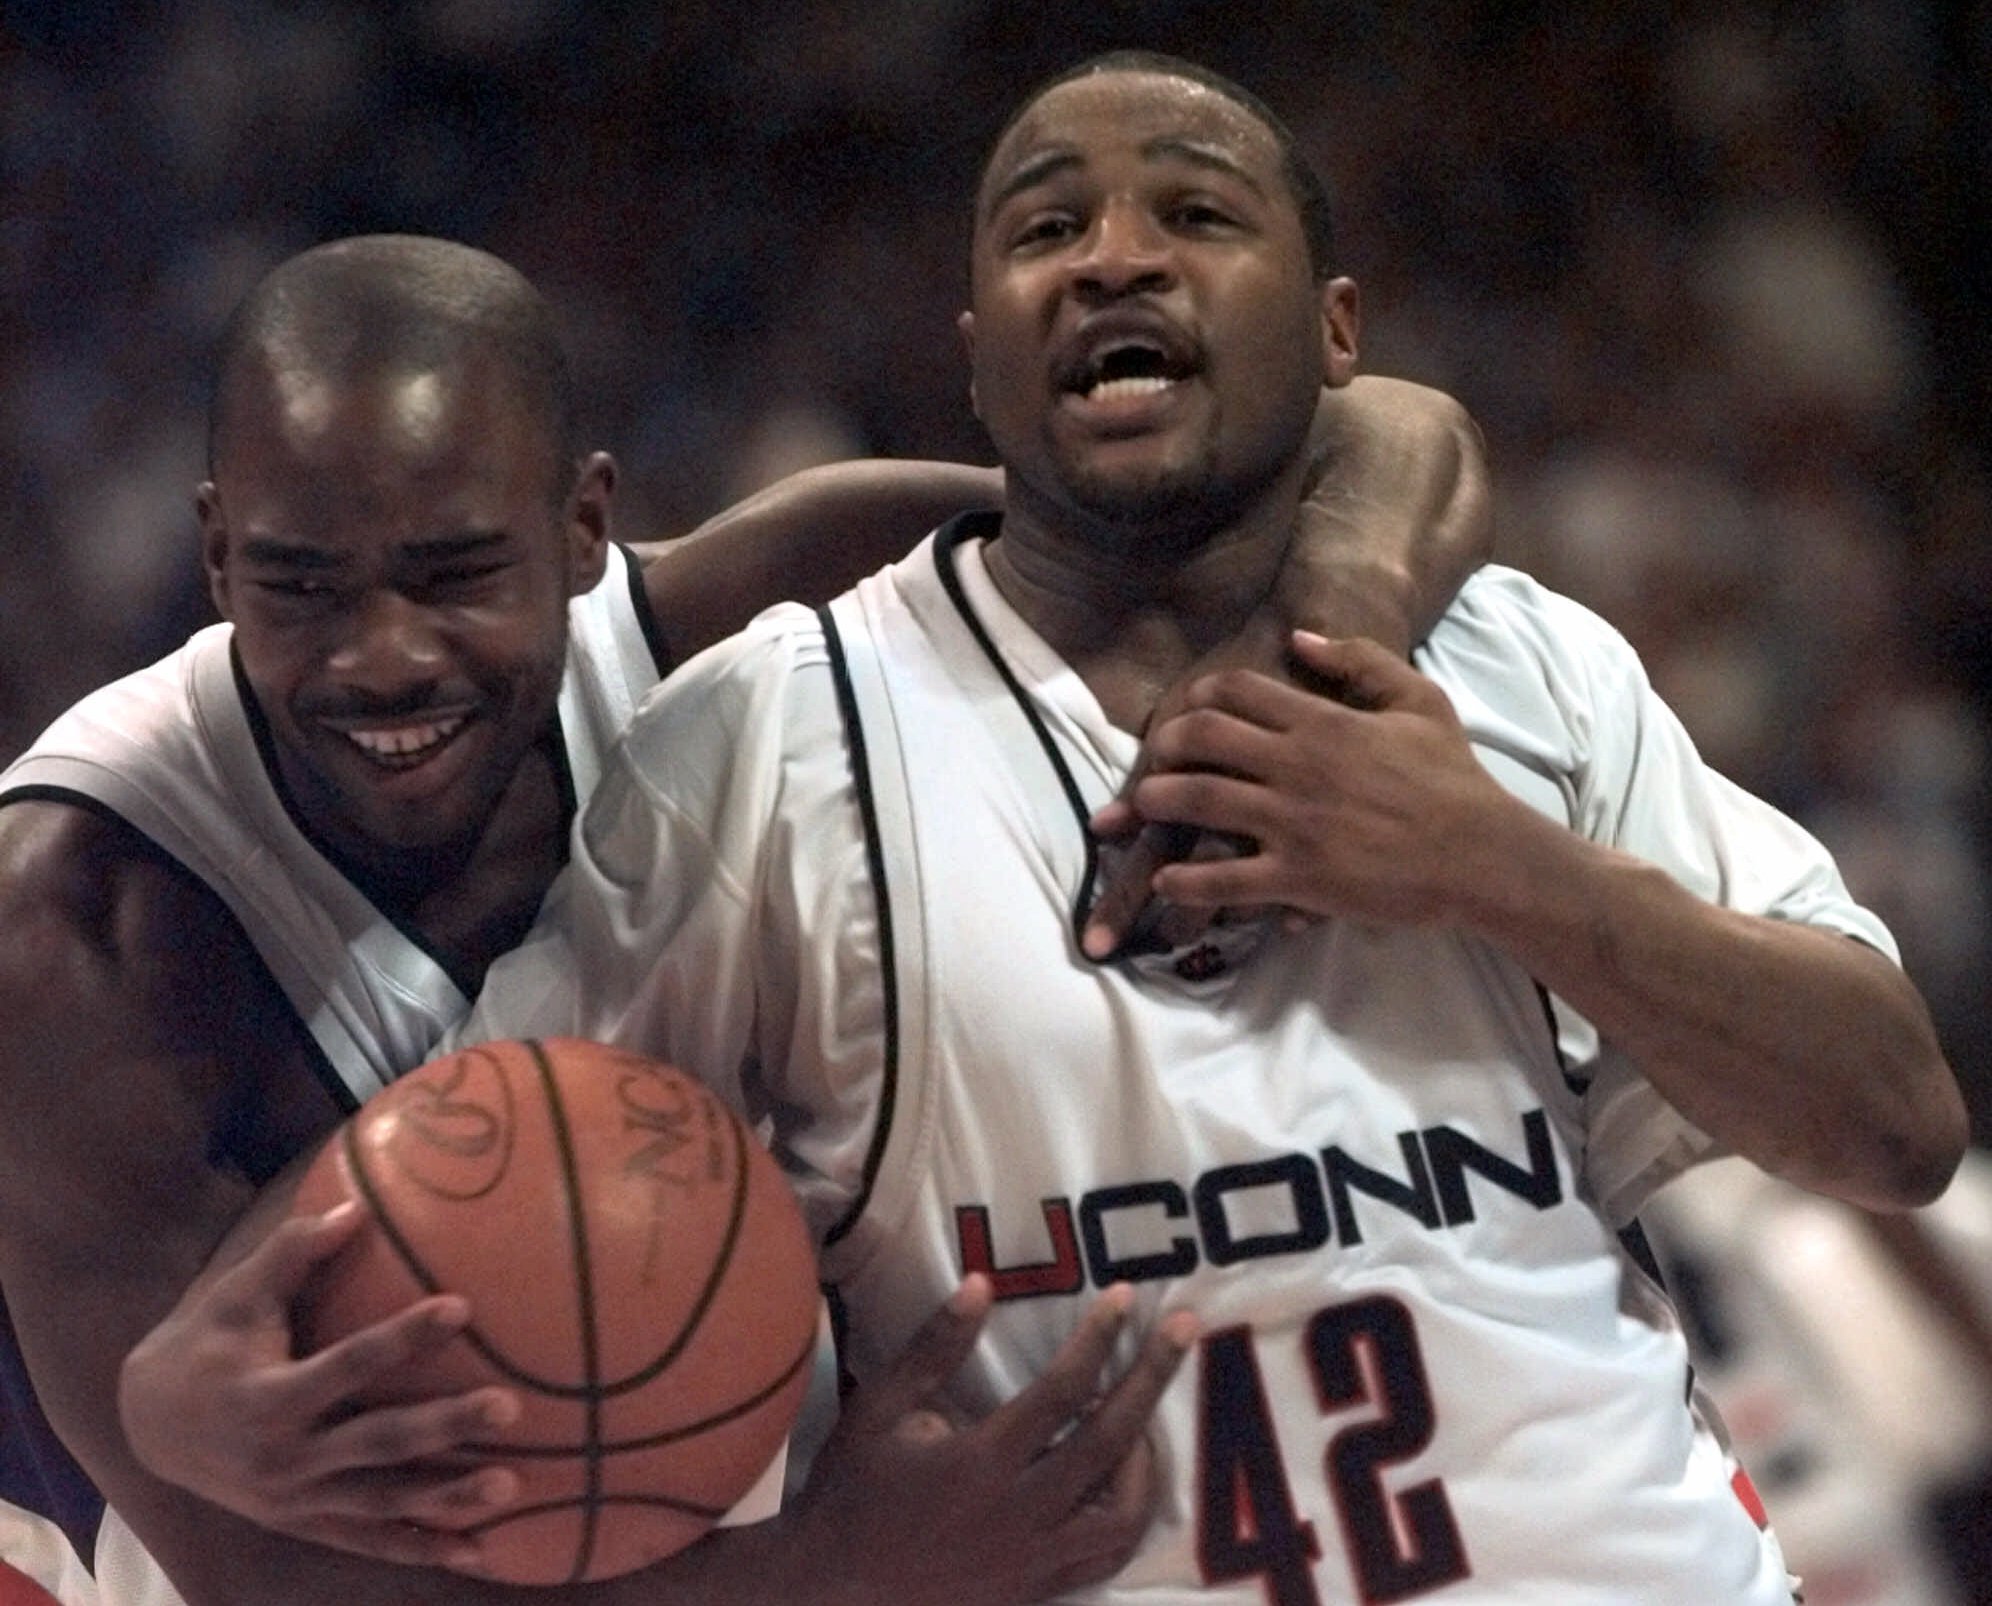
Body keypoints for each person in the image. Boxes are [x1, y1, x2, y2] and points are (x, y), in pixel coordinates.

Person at [417, 51, 1965, 1602]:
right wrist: (817, 1569)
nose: (1113, 255)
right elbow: (466, 1346)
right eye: (1044, 230)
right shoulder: (767, 741)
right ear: (977, 362)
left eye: (1197, 210)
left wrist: (1501, 866)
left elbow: (1896, 1124)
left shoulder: (1521, 662)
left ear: (1338, 328)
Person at [0, 232, 1489, 1606]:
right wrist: (832, 1570)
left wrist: (1337, 620)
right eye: (300, 585)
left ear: (585, 525)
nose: (380, 655)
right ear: (214, 558)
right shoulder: (69, 928)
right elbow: (267, 1585)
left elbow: (1365, 431)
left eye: (456, 574)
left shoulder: (766, 626)